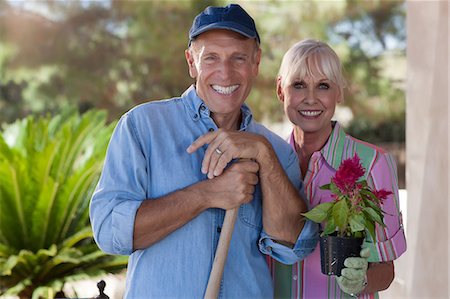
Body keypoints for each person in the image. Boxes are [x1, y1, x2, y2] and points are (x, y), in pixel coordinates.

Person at [89, 4, 318, 298]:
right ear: (191, 62)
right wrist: (208, 194)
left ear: (256, 62)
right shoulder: (142, 127)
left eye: (238, 58)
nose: (225, 73)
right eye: (211, 58)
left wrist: (262, 154)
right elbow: (110, 232)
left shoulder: (274, 150)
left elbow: (292, 246)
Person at [268, 39, 407, 298]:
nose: (311, 98)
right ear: (280, 90)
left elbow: (386, 270)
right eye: (298, 85)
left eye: (323, 86)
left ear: (339, 93)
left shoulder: (373, 164)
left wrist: (362, 279)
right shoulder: (267, 161)